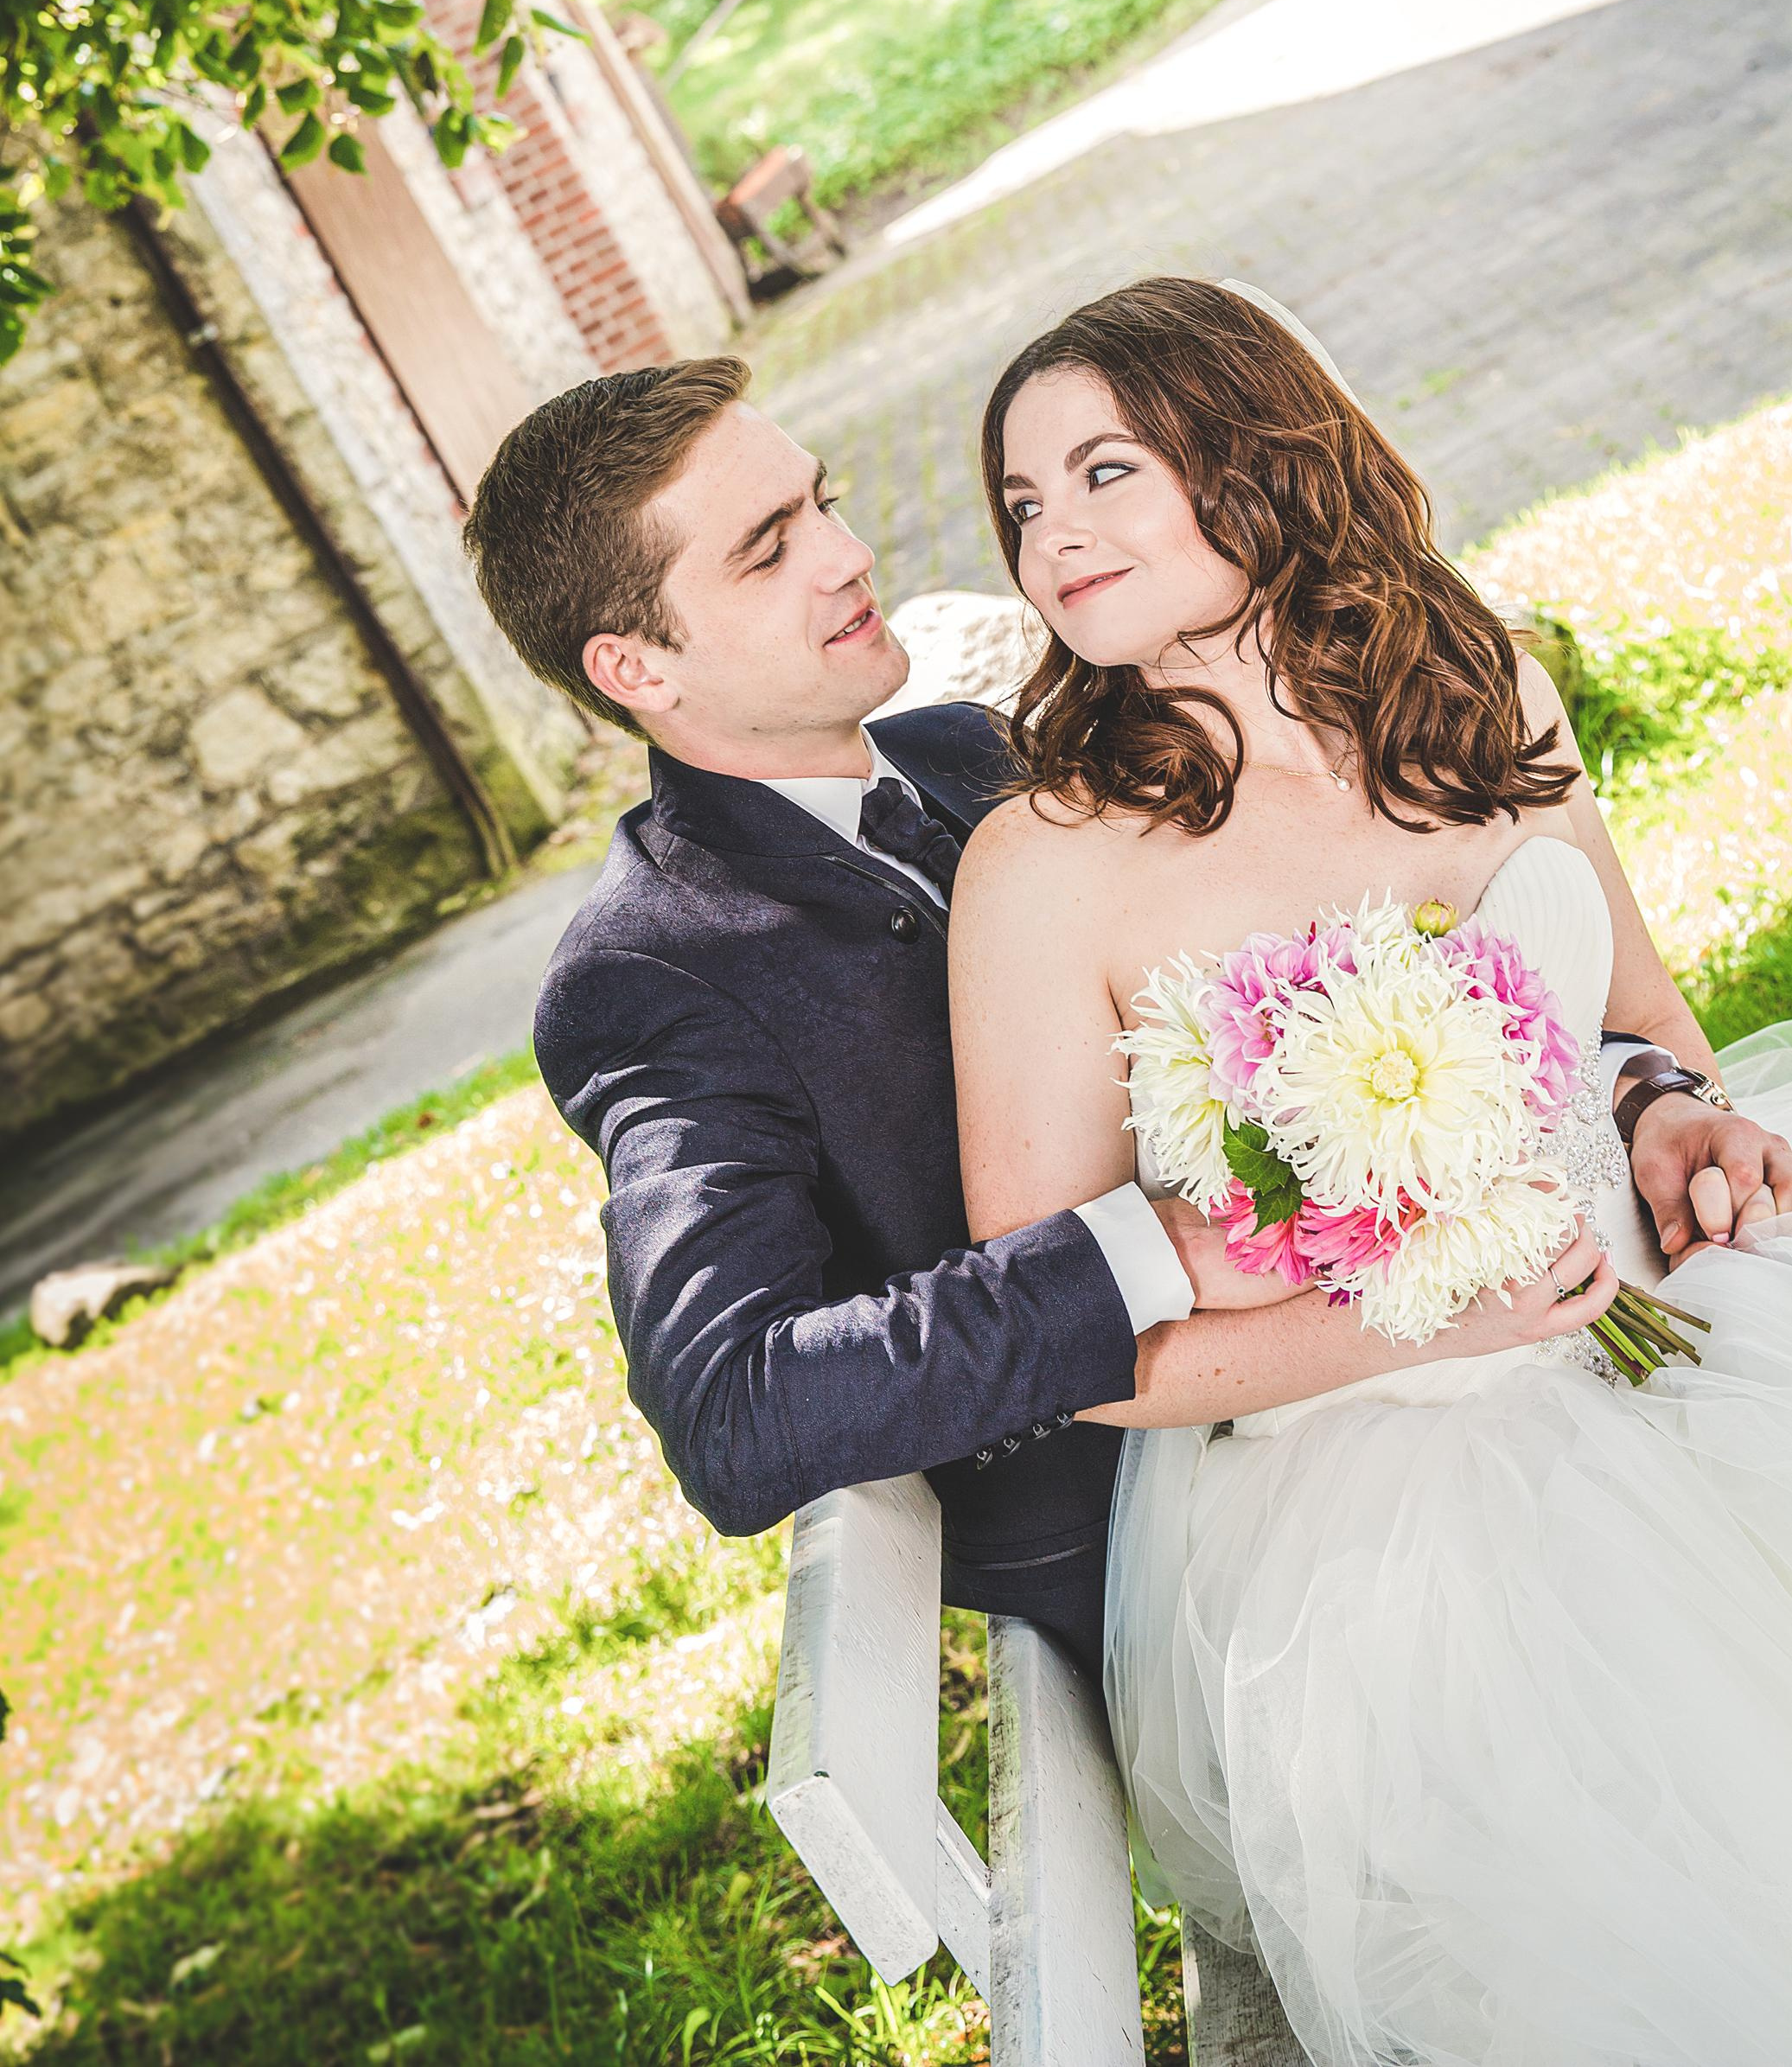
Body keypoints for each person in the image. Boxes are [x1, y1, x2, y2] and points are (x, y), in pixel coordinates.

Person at [460, 353, 1779, 1684]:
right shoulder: (657, 969)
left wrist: (1637, 1088)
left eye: (824, 503)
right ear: (634, 665)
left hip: (1493, 1347)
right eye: (768, 549)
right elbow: (736, 1409)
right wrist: (1150, 1251)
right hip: (1233, 1550)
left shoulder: (972, 753)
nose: (849, 556)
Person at [952, 274, 1792, 2067]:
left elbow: (1643, 1024)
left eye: (1102, 471)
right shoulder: (1046, 863)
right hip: (1367, 1470)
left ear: (1256, 452)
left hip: (1652, 1299)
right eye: (1021, 503)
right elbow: (1057, 1339)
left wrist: (1669, 1117)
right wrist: (1423, 1326)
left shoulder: (1469, 682)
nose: (1050, 537)